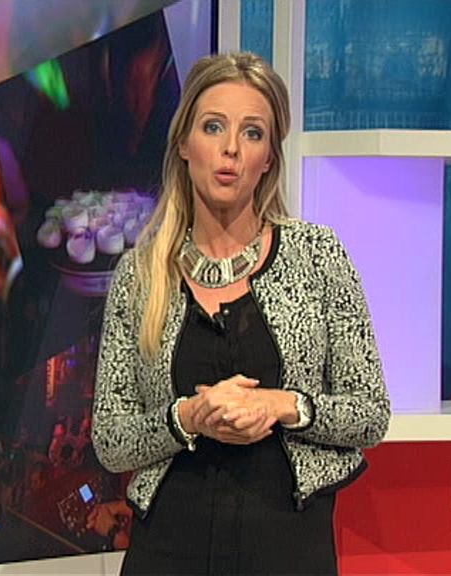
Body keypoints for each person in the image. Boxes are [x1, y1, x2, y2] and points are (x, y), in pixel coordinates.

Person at [90, 52, 391, 575]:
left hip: (288, 547)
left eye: (252, 133)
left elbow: (370, 414)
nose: (231, 148)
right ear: (184, 144)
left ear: (269, 157)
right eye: (213, 127)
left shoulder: (318, 256)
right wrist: (188, 417)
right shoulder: (139, 274)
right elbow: (111, 441)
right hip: (170, 549)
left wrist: (282, 405)